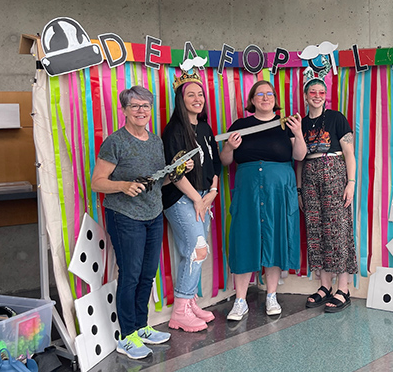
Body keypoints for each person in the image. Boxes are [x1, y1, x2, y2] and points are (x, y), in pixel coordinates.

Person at [91, 86, 172, 359]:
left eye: (146, 106)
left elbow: (159, 179)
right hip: (125, 217)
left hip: (153, 214)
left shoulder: (156, 141)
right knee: (130, 276)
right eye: (135, 106)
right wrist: (124, 185)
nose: (141, 111)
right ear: (124, 109)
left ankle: (141, 327)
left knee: (148, 275)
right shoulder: (115, 142)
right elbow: (97, 182)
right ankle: (127, 337)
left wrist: (178, 171)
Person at [219, 80, 306, 320]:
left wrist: (298, 133)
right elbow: (226, 161)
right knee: (244, 238)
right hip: (248, 190)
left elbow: (299, 155)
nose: (265, 98)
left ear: (275, 98)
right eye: (260, 94)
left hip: (278, 190)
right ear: (252, 99)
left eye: (269, 94)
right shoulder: (240, 125)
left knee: (276, 237)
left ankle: (271, 295)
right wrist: (229, 146)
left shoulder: (285, 125)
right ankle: (240, 300)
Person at [160, 72, 222, 332]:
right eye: (190, 95)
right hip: (181, 197)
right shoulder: (174, 130)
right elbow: (173, 172)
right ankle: (180, 312)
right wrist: (198, 199)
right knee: (197, 249)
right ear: (180, 99)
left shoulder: (206, 128)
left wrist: (212, 192)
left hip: (204, 196)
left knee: (199, 251)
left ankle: (190, 301)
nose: (197, 99)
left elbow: (216, 162)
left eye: (200, 94)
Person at [297, 77, 358, 312]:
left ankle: (343, 288)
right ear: (305, 96)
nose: (317, 95)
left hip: (334, 172)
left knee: (338, 230)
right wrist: (300, 189)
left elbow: (349, 153)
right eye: (313, 92)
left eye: (321, 92)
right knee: (315, 231)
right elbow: (300, 161)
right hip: (310, 175)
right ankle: (325, 286)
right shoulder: (301, 124)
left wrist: (350, 182)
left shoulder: (337, 118)